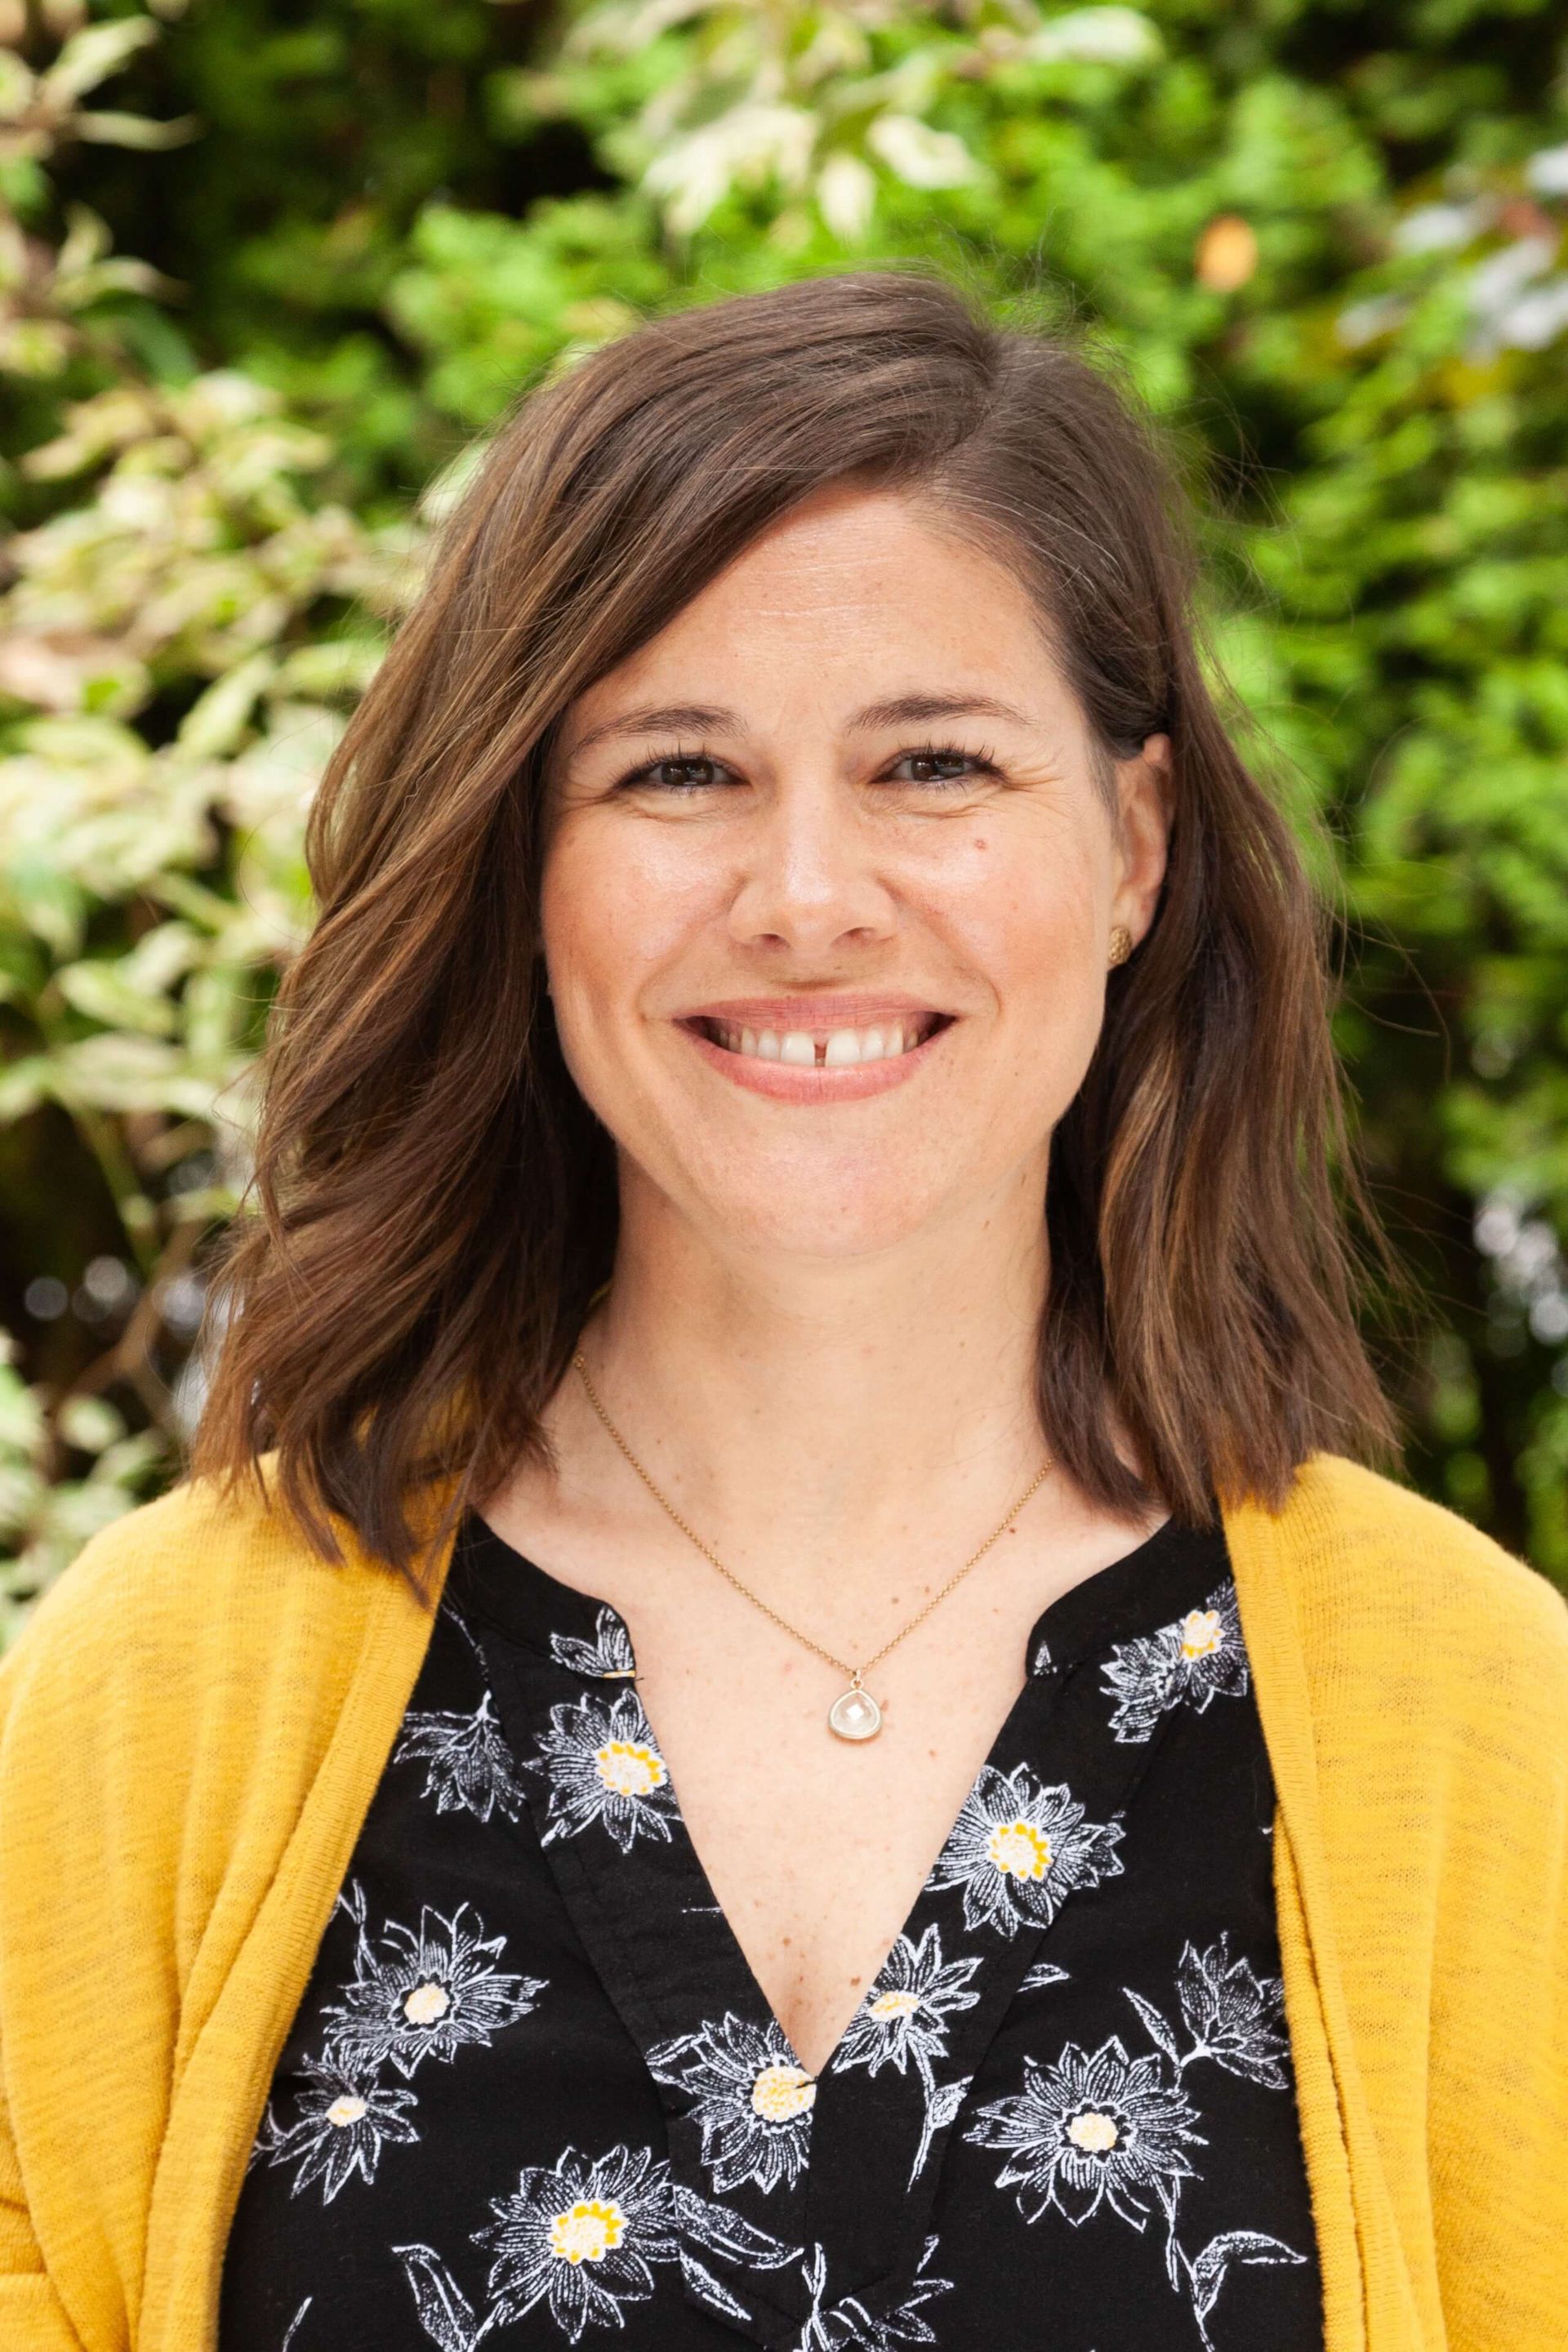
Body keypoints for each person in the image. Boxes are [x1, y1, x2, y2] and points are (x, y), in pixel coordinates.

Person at [0, 269, 1562, 2352]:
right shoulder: (170, 1691)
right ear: (521, 863)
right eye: (675, 774)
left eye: (931, 762)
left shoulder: (1485, 1722)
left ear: (1134, 847)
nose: (808, 895)